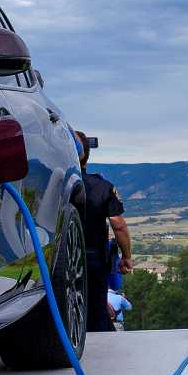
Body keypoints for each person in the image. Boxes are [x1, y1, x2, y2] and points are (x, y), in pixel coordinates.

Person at [75, 132, 133, 334]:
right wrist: (126, 257)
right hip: (93, 261)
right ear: (86, 155)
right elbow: (118, 225)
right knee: (97, 311)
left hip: (57, 262)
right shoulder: (102, 186)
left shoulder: (52, 185)